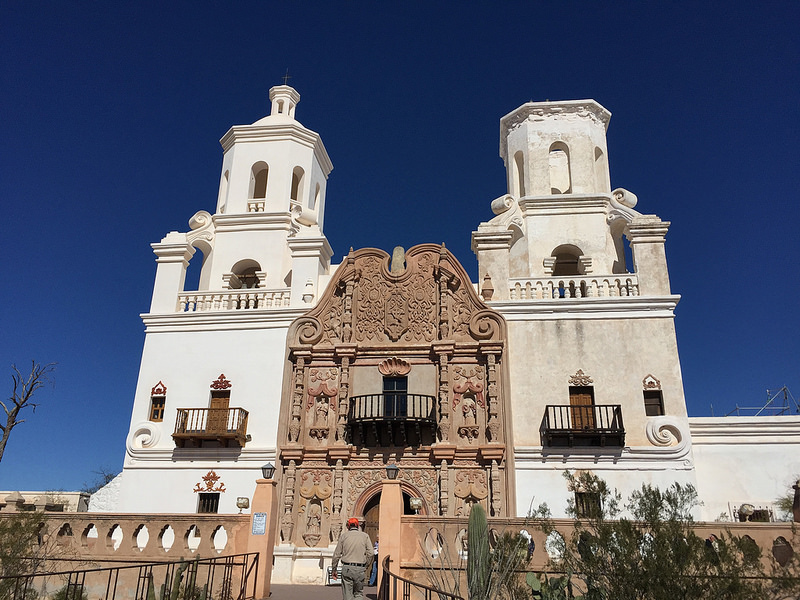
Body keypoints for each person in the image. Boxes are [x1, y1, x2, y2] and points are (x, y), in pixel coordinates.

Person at [331, 517, 374, 600]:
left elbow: (336, 555)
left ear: (348, 526)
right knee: (358, 594)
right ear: (358, 526)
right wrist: (366, 565)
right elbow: (371, 553)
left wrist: (334, 569)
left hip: (347, 568)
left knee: (347, 595)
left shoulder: (344, 536)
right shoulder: (365, 536)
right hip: (360, 568)